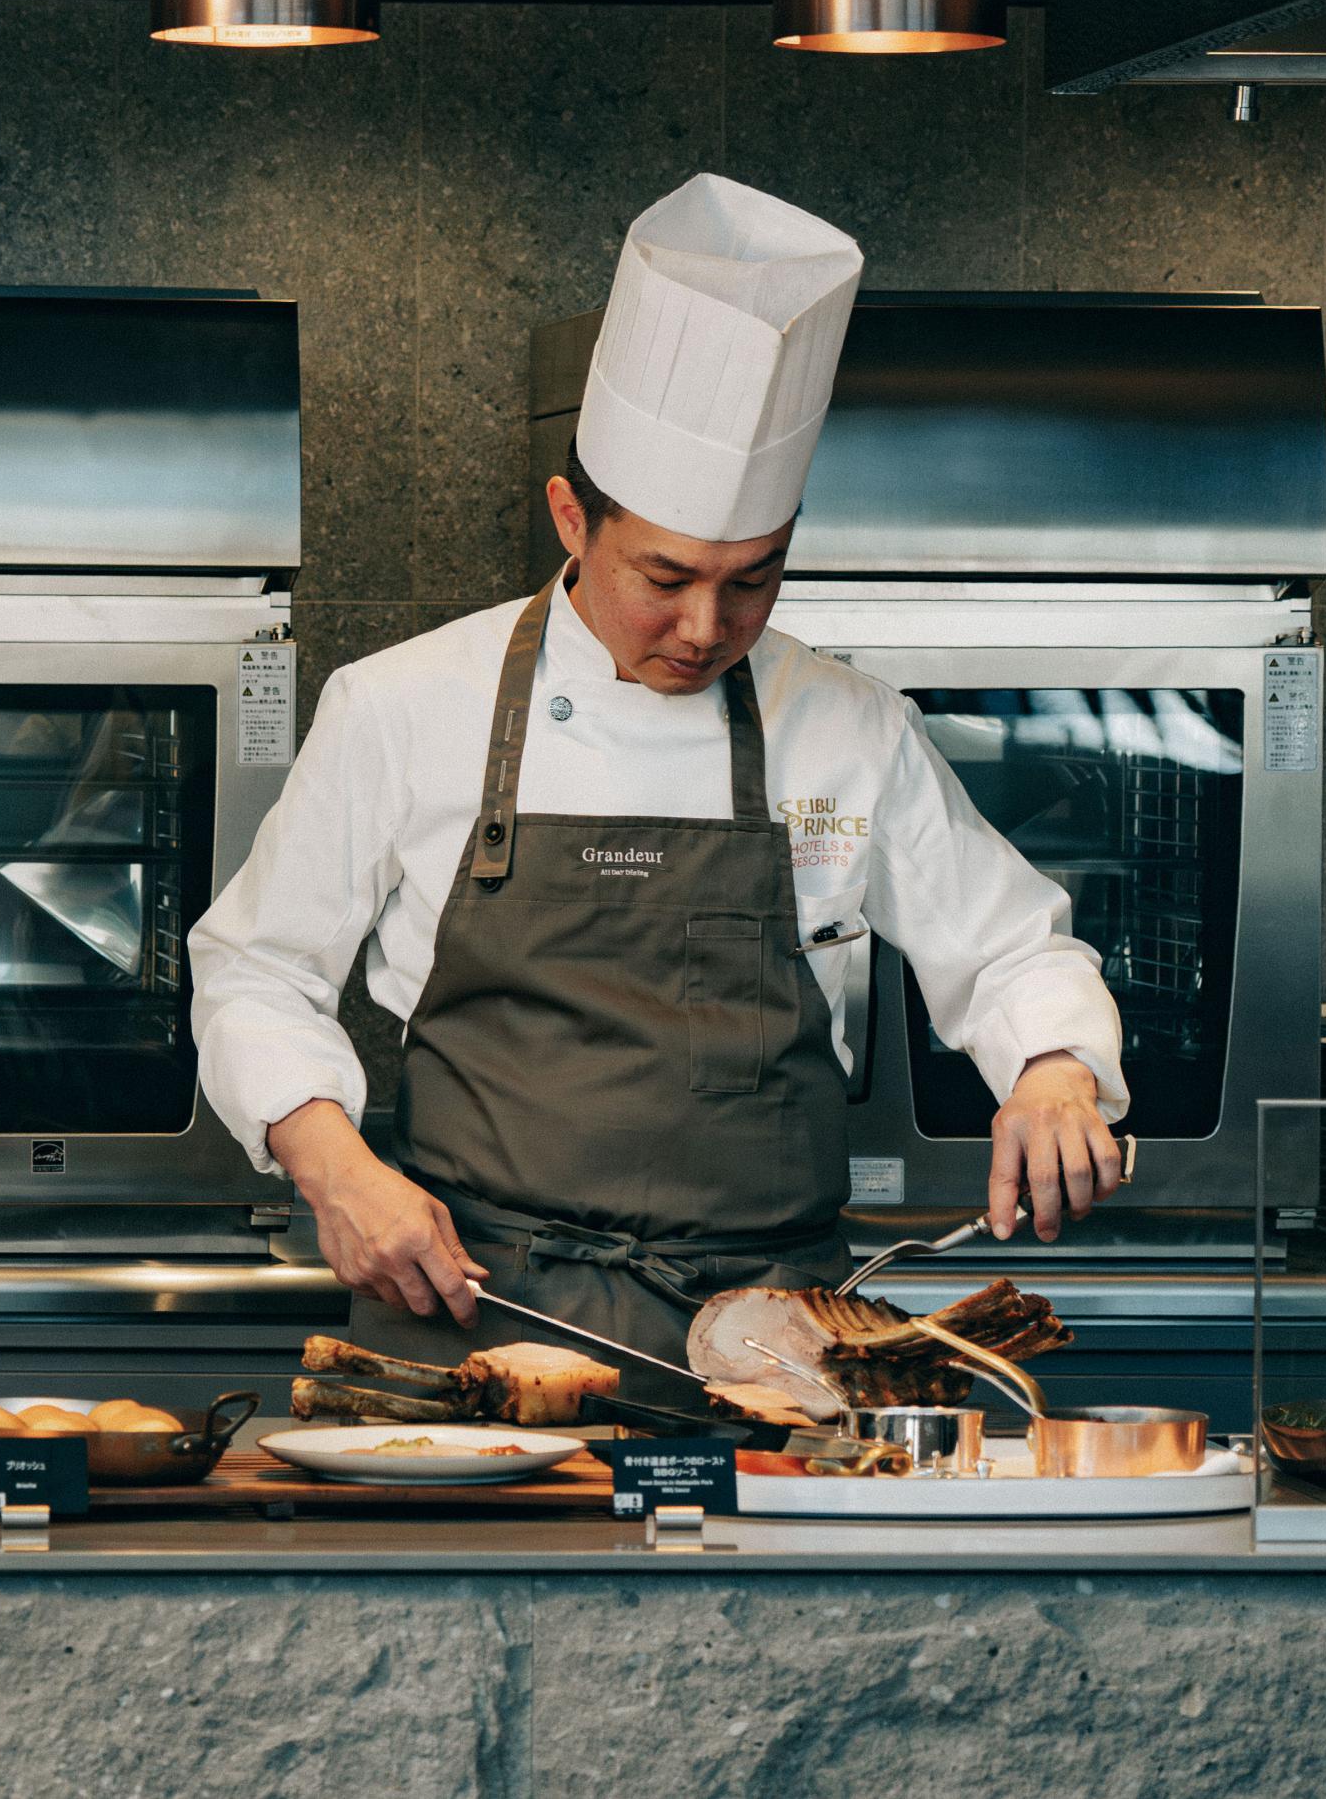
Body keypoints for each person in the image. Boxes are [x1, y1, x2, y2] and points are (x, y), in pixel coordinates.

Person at [186, 173, 1130, 1365]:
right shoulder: (401, 704)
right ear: (571, 519)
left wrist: (1053, 1070)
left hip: (781, 1347)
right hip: (477, 1321)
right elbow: (256, 967)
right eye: (666, 577)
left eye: (754, 579)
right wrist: (334, 1169)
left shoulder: (847, 724)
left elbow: (1012, 949)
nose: (704, 625)